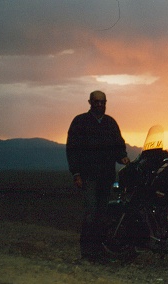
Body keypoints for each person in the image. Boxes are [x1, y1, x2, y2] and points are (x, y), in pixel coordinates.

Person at [66, 90, 130, 262]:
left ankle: (99, 252)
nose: (100, 105)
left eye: (103, 102)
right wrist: (76, 173)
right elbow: (72, 149)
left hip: (106, 176)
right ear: (90, 102)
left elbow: (119, 144)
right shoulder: (80, 122)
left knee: (103, 214)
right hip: (88, 176)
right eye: (96, 102)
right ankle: (87, 253)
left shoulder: (110, 123)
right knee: (91, 213)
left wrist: (122, 156)